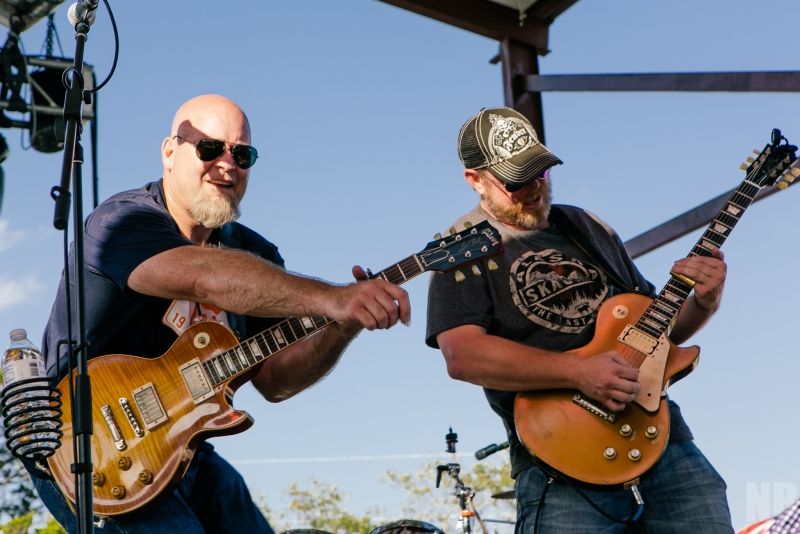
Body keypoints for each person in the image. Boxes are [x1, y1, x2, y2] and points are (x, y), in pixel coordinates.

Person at [26, 94, 411, 533]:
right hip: (85, 444)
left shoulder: (257, 254)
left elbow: (275, 381)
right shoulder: (123, 221)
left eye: (242, 155)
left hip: (182, 452)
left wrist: (342, 323)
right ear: (169, 153)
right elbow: (204, 278)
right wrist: (332, 297)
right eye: (209, 148)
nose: (227, 164)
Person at [425, 106, 733, 533]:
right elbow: (462, 355)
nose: (534, 188)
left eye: (539, 172)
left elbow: (657, 332)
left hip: (663, 441)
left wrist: (705, 300)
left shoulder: (585, 226)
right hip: (561, 457)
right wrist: (579, 371)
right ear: (475, 180)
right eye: (516, 180)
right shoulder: (458, 247)